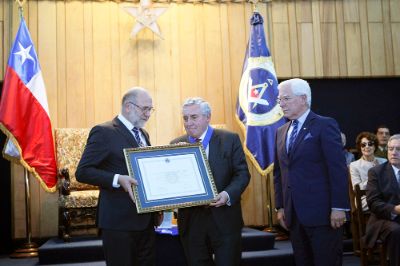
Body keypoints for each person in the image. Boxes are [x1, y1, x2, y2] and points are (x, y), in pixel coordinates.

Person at [76, 87, 158, 266]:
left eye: (150, 109)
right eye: (144, 108)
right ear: (128, 106)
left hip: (146, 221)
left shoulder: (143, 134)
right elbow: (83, 171)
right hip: (119, 222)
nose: (148, 114)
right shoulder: (104, 131)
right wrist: (117, 179)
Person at [273, 78, 349, 266]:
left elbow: (337, 169)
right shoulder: (281, 131)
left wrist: (339, 207)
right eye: (279, 100)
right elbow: (279, 173)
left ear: (304, 98)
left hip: (323, 215)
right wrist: (280, 207)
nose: (281, 104)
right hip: (294, 215)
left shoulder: (325, 125)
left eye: (286, 99)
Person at [170, 97, 250, 266]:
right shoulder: (176, 144)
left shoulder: (230, 139)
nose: (189, 123)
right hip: (191, 223)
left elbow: (242, 174)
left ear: (208, 117)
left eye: (194, 117)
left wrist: (227, 194)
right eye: (185, 118)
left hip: (224, 219)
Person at [365, 134, 400, 266]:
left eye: (398, 149)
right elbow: (373, 203)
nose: (393, 153)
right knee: (397, 231)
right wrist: (395, 209)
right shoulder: (376, 172)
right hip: (383, 219)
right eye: (391, 149)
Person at [349, 132, 386, 210]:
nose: (367, 147)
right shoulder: (354, 165)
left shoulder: (384, 161)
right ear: (360, 147)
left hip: (385, 195)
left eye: (370, 144)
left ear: (375, 146)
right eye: (363, 145)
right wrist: (374, 177)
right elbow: (356, 188)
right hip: (365, 198)